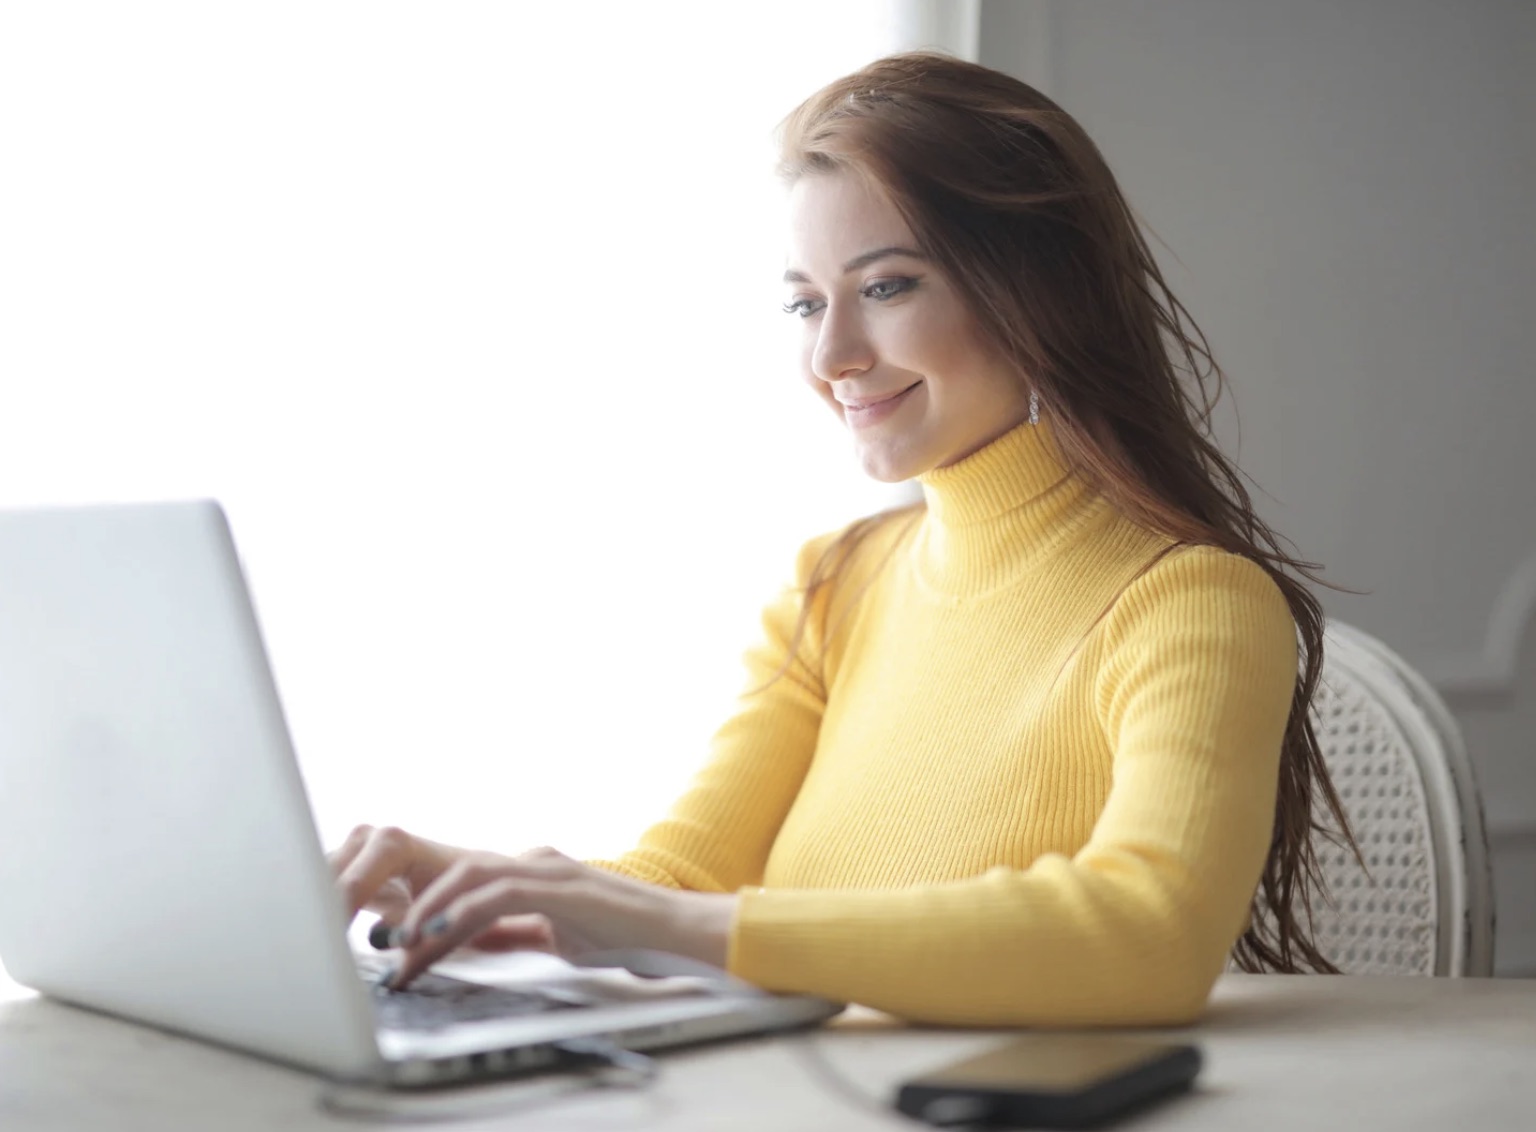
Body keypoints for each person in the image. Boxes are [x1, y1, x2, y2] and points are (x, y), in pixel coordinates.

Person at [330, 50, 1356, 1028]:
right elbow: (682, 880)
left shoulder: (1191, 603)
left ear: (1038, 294)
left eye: (886, 286)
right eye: (803, 301)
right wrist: (479, 885)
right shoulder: (835, 582)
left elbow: (1149, 935)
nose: (832, 356)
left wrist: (664, 924)